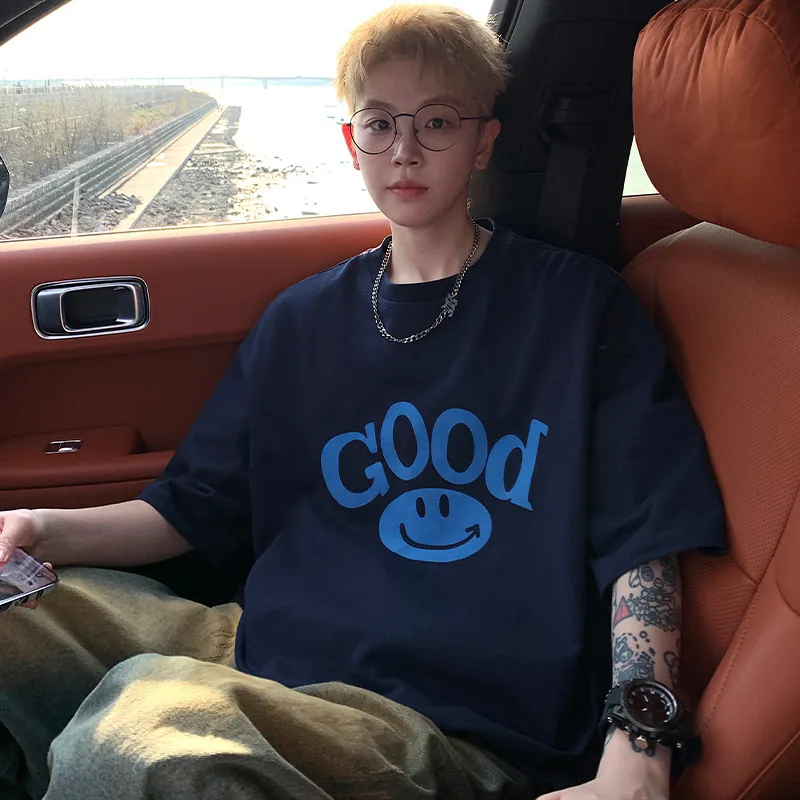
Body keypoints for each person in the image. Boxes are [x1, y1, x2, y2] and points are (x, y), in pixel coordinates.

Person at [0, 5, 726, 800]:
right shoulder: (301, 320)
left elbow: (642, 545)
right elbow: (193, 507)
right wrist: (40, 528)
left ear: (484, 141)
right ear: (352, 144)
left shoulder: (578, 309)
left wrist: (638, 754)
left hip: (452, 715)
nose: (405, 150)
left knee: (128, 743)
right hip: (257, 646)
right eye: (380, 124)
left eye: (437, 122)